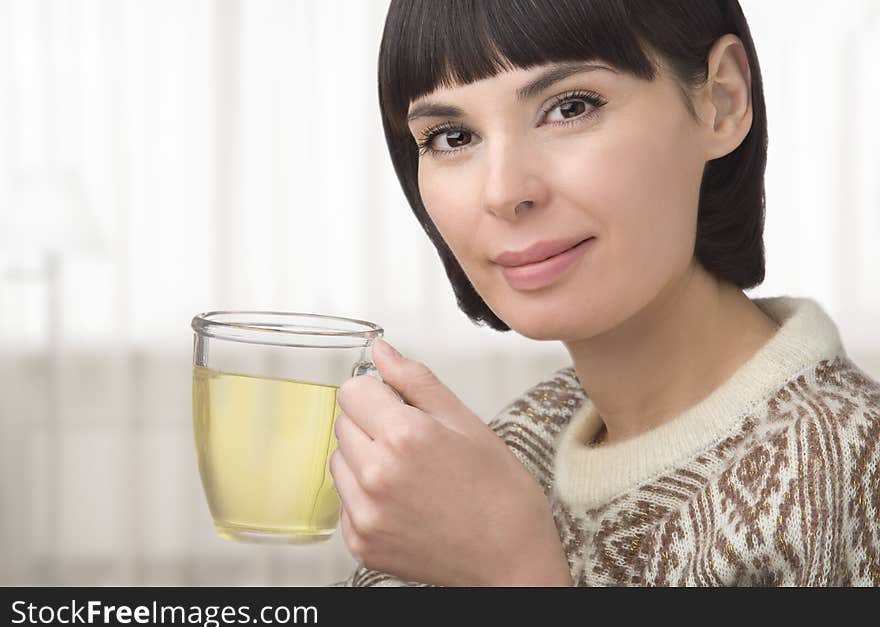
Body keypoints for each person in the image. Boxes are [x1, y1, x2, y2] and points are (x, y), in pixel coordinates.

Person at [328, 0, 880, 587]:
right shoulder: (514, 443)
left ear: (721, 100)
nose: (505, 191)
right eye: (452, 136)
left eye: (569, 107)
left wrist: (516, 577)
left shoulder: (856, 479)